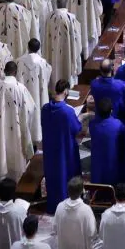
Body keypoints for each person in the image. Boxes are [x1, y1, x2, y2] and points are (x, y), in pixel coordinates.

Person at [0, 61, 40, 187]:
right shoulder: (20, 88)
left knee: (2, 148)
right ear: (16, 72)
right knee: (17, 150)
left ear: (4, 71)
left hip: (0, 127)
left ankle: (1, 177)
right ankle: (17, 181)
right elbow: (31, 108)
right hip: (17, 128)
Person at [41, 84, 83, 214]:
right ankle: (67, 206)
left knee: (53, 176)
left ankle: (53, 205)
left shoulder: (45, 108)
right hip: (65, 149)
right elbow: (77, 129)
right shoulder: (68, 111)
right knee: (65, 176)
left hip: (50, 149)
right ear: (66, 91)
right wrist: (81, 118)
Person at [53, 178, 100, 249]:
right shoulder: (86, 210)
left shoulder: (60, 207)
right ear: (82, 191)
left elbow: (55, 228)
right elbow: (92, 233)